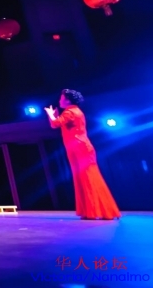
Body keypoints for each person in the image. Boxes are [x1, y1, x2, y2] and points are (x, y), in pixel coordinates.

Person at [45, 89, 120, 220]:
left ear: (68, 100)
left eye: (61, 98)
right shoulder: (75, 111)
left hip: (79, 148)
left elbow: (55, 124)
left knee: (87, 177)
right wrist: (55, 116)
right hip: (80, 147)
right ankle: (94, 210)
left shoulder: (70, 112)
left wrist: (50, 114)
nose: (59, 101)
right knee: (86, 177)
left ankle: (94, 210)